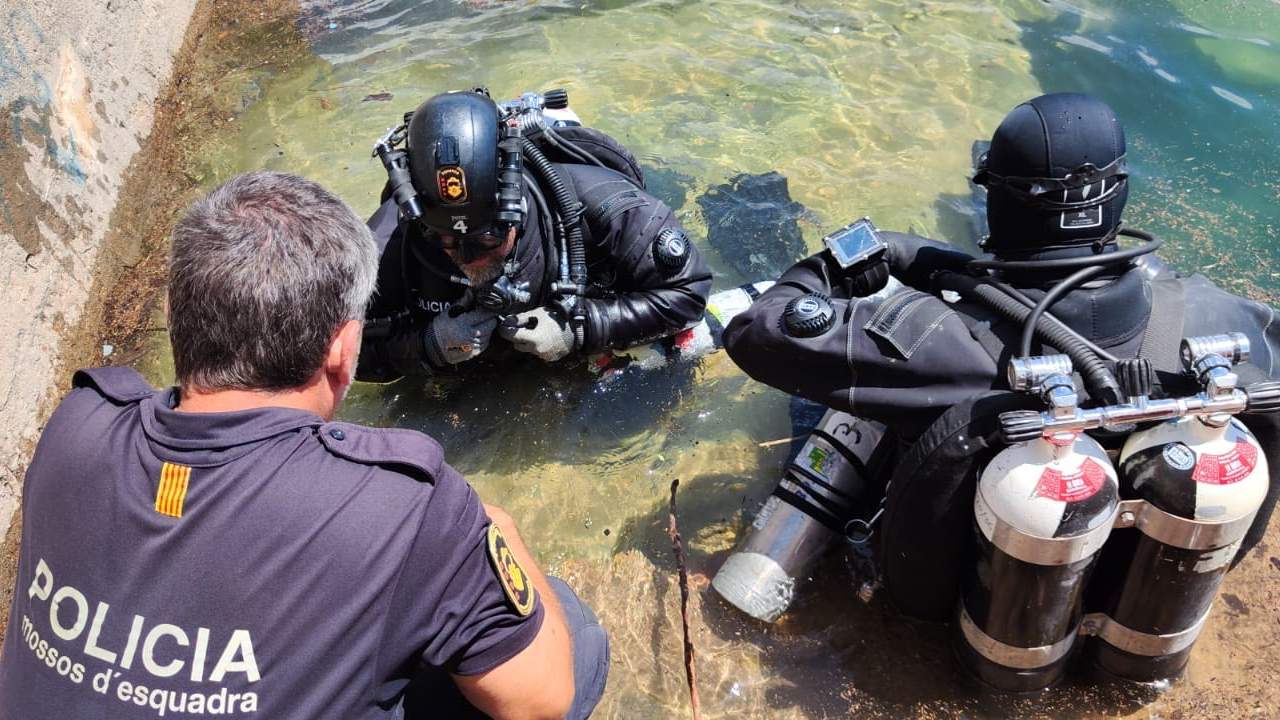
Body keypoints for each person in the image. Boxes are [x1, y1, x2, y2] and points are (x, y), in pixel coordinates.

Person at [0, 171, 608, 719]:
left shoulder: (79, 422)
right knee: (572, 636)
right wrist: (493, 528)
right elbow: (541, 701)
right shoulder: (405, 507)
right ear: (344, 350)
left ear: (171, 311)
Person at [722, 92, 1280, 567]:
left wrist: (854, 261)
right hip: (1136, 580)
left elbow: (755, 331)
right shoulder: (1223, 319)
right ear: (1120, 194)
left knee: (839, 406)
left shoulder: (936, 340)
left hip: (969, 584)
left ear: (997, 201)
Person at [356, 88, 712, 382]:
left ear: (518, 212)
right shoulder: (385, 244)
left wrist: (582, 329)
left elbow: (689, 293)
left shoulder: (608, 208)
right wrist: (426, 346)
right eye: (446, 241)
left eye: (487, 240)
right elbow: (333, 355)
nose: (467, 258)